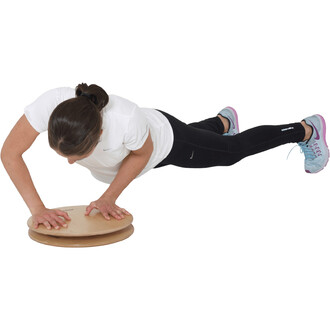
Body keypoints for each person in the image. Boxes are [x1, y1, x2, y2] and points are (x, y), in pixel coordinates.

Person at [1, 83, 329, 230]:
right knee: (203, 137)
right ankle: (222, 121)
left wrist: (107, 198)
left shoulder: (126, 121)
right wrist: (38, 208)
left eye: (76, 155)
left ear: (99, 136)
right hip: (151, 136)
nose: (69, 163)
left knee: (229, 152)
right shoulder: (52, 106)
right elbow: (10, 153)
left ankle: (304, 130)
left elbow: (140, 155)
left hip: (165, 144)